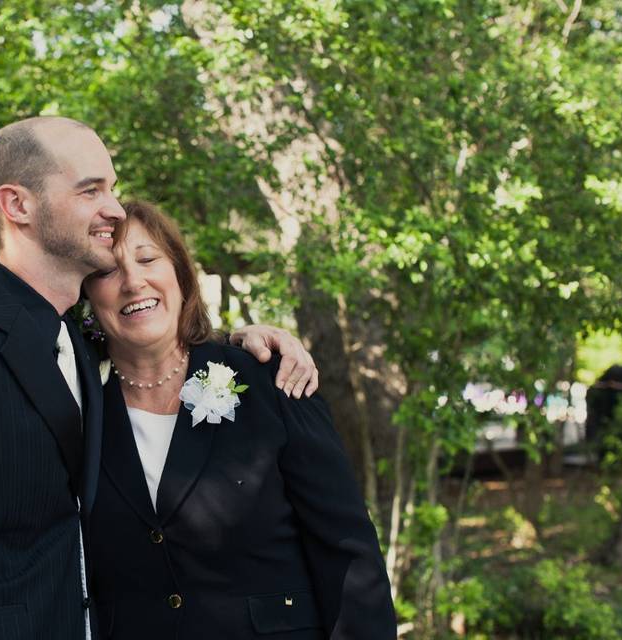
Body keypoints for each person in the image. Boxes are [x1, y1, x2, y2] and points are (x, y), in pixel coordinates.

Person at [0, 116, 318, 640]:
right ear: (17, 205)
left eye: (112, 190)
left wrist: (246, 341)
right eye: (91, 189)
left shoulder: (73, 342)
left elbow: (159, 339)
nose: (114, 210)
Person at [83, 200, 396, 639]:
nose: (134, 282)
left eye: (147, 258)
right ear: (86, 297)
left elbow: (347, 553)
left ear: (180, 274)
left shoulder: (271, 380)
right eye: (106, 272)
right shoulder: (80, 414)